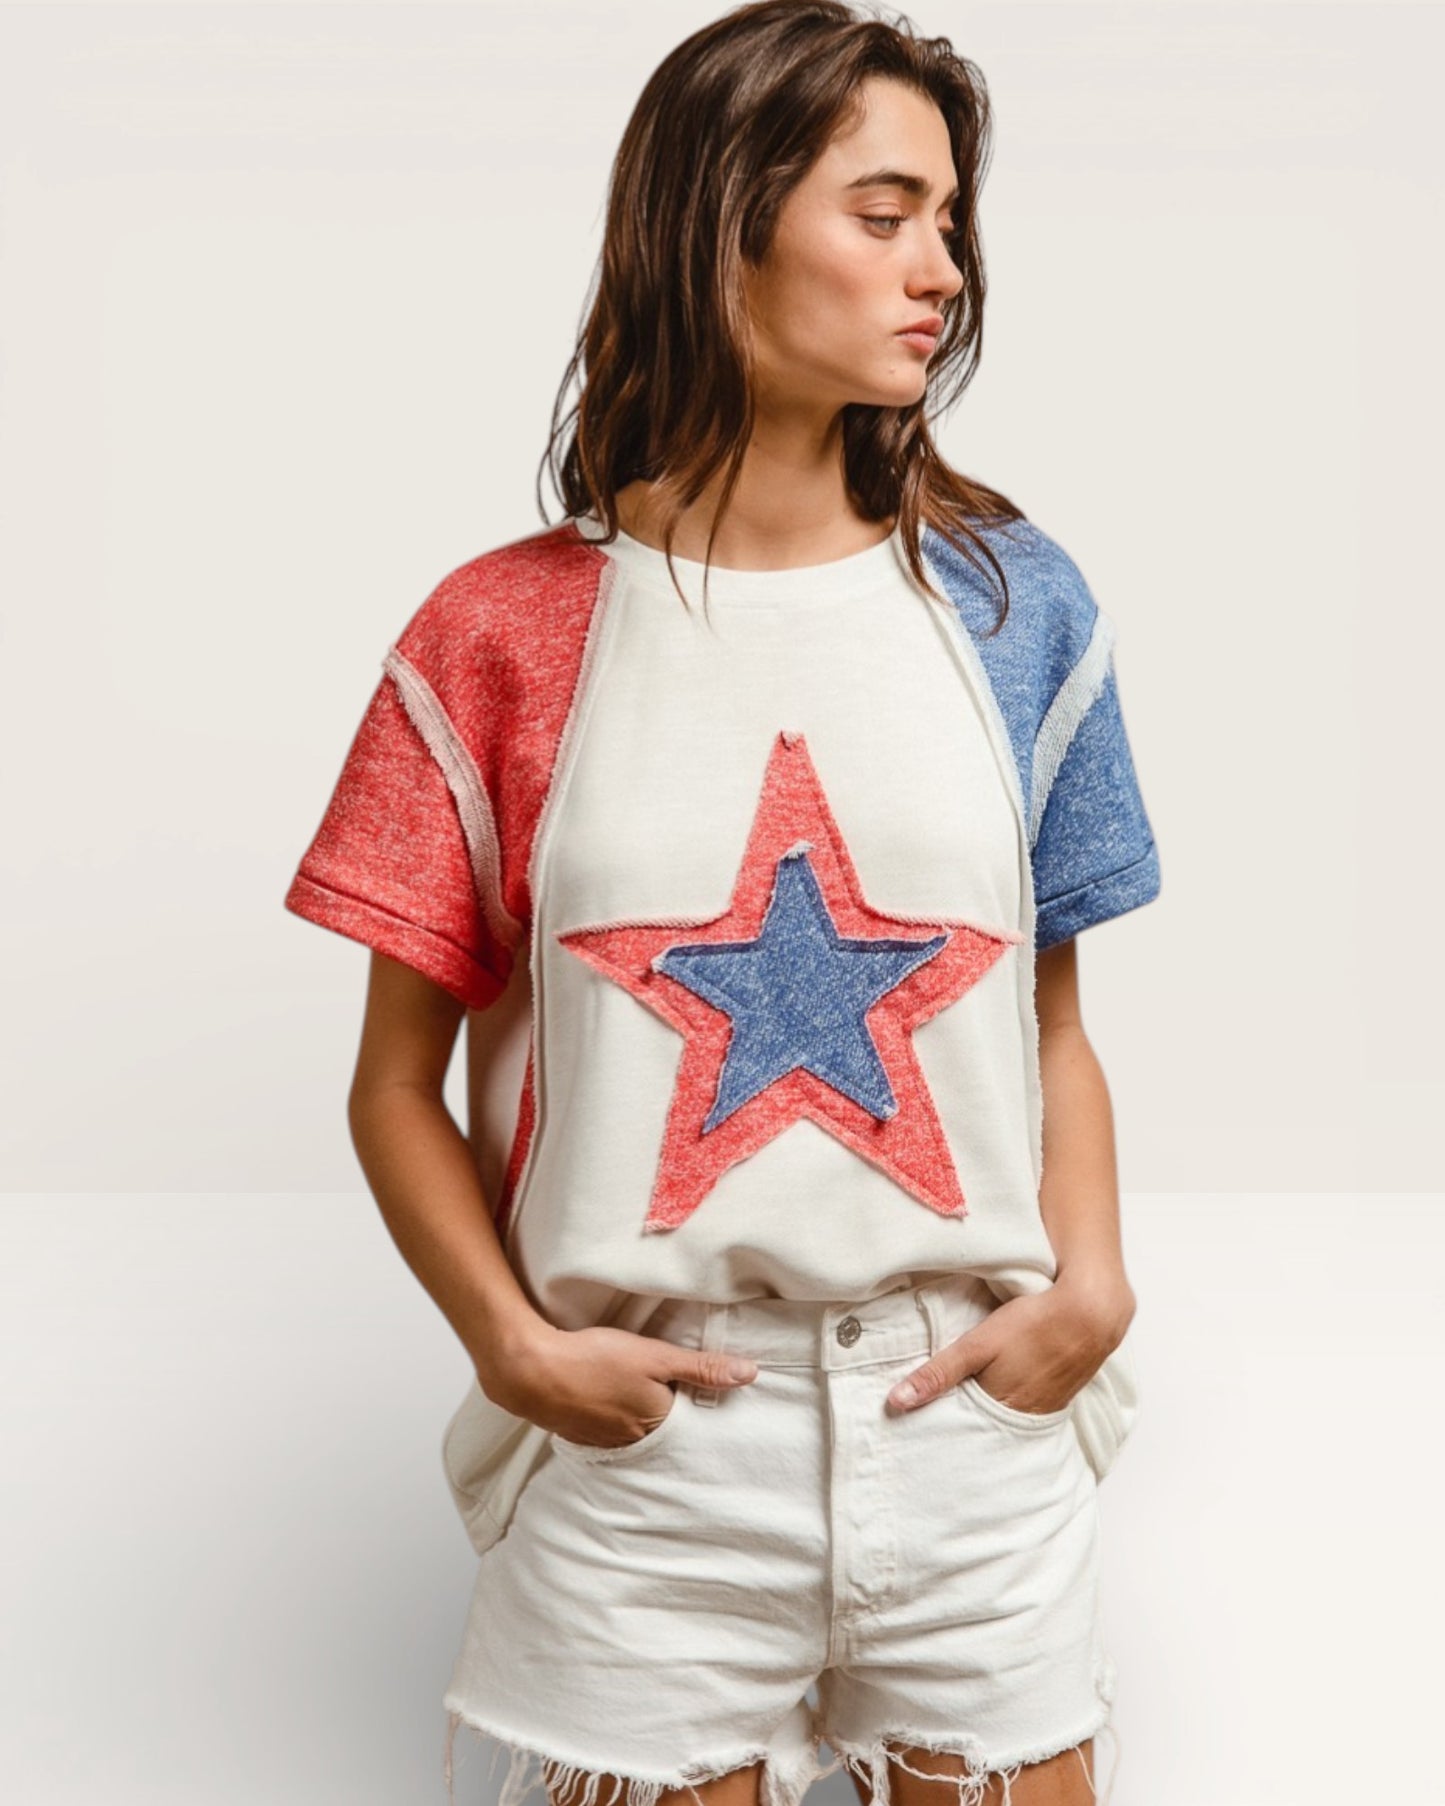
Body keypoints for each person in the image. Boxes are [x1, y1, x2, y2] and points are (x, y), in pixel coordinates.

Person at [282, 5, 1162, 1806]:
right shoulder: (499, 632)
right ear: (724, 218)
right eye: (885, 211)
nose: (940, 269)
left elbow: (1050, 1025)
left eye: (949, 221)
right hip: (651, 1456)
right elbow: (395, 1080)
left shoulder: (1019, 608)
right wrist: (512, 1347)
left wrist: (1094, 1294)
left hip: (966, 1425)